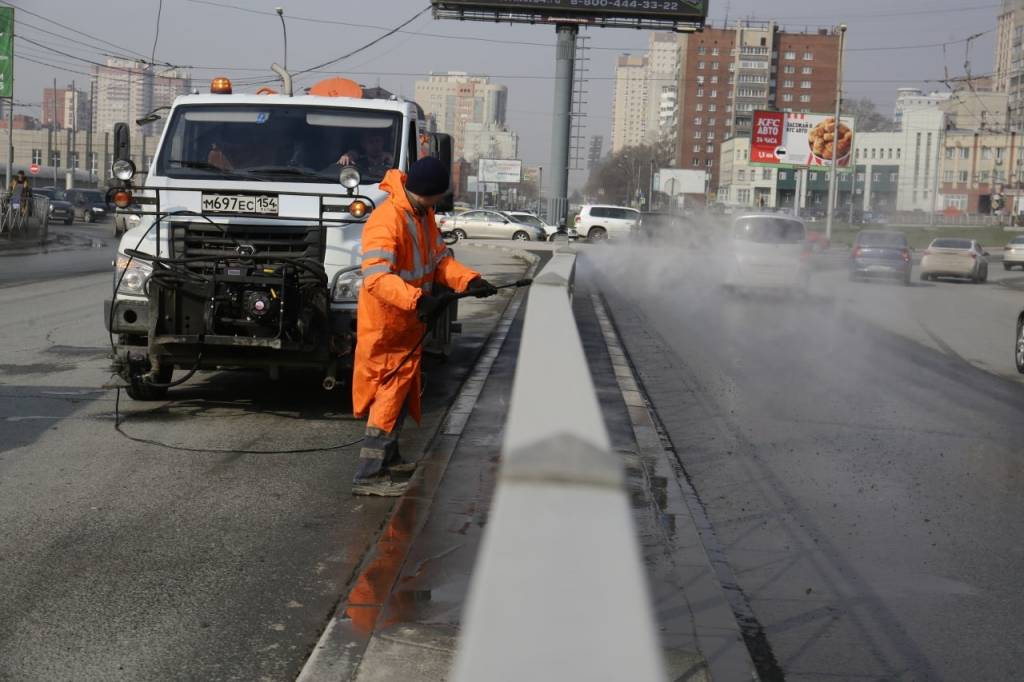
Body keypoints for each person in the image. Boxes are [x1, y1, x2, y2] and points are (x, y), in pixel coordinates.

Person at [351, 157, 497, 496]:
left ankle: (390, 457)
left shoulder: (421, 215)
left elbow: (439, 261)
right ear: (427, 193)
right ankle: (369, 475)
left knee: (401, 393)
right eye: (439, 195)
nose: (440, 201)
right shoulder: (387, 221)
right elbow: (376, 279)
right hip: (387, 324)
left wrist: (469, 281)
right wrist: (419, 301)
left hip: (408, 323)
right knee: (388, 396)